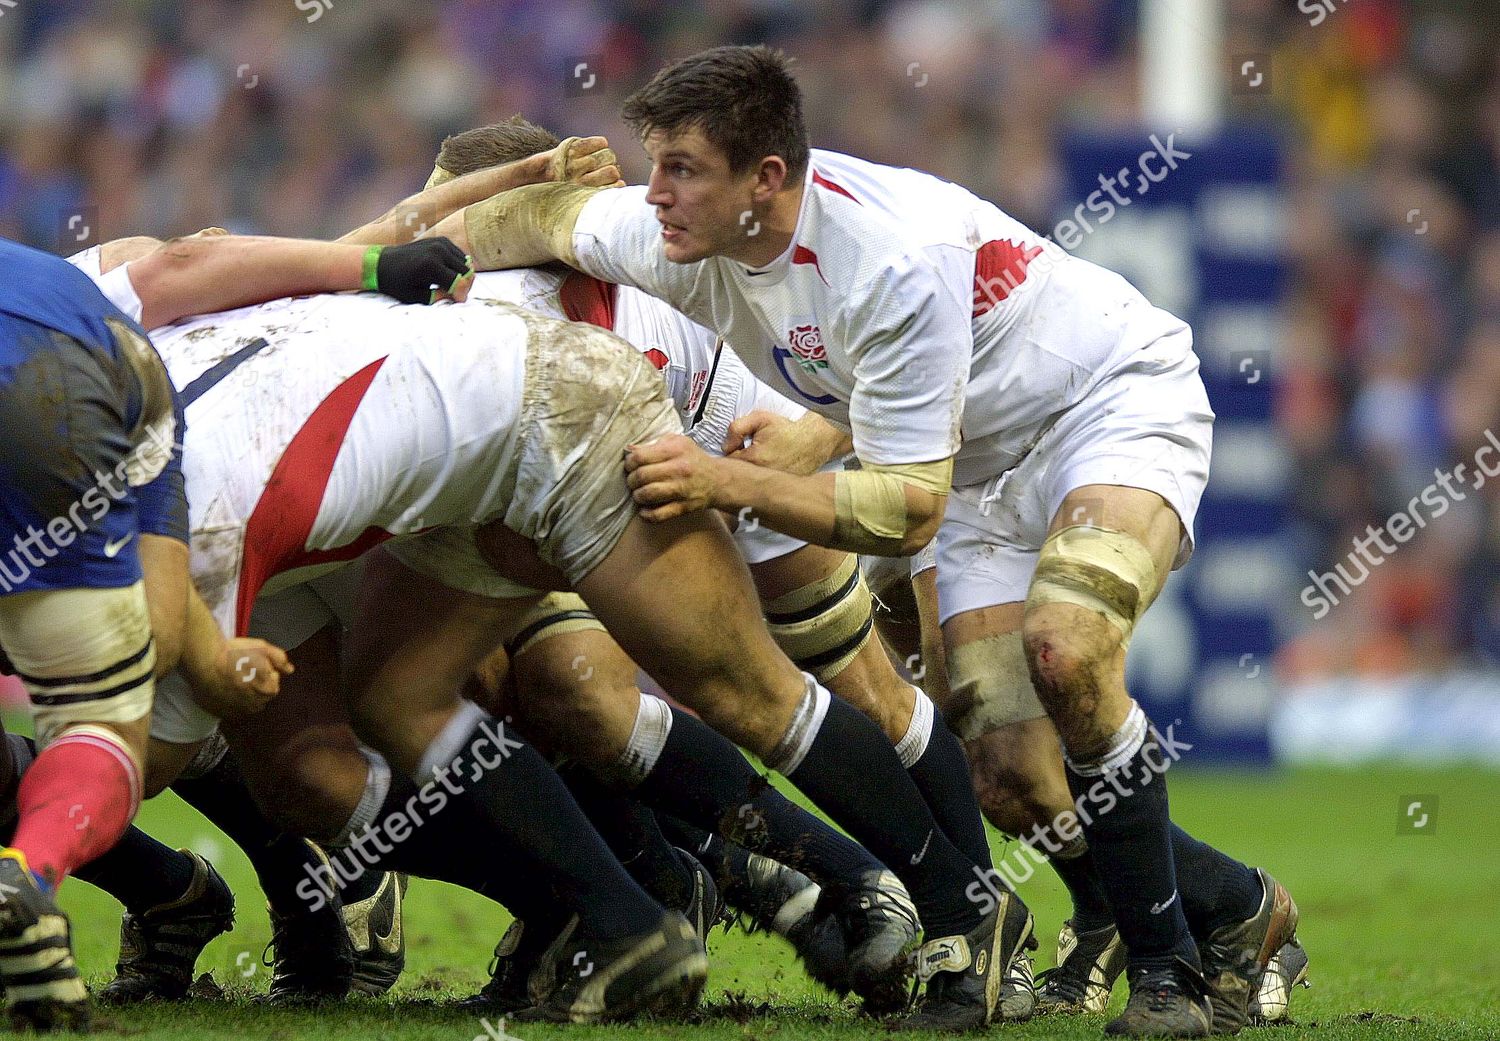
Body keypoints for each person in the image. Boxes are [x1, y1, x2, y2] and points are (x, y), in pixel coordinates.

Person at [435, 44, 1301, 1036]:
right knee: (1012, 778)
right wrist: (393, 245)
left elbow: (904, 512)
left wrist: (730, 480)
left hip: (1104, 406)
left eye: (682, 170)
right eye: (653, 162)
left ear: (766, 180)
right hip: (973, 457)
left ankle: (1169, 979)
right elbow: (520, 221)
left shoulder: (891, 256)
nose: (654, 192)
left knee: (1067, 649)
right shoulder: (668, 230)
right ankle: (1236, 905)